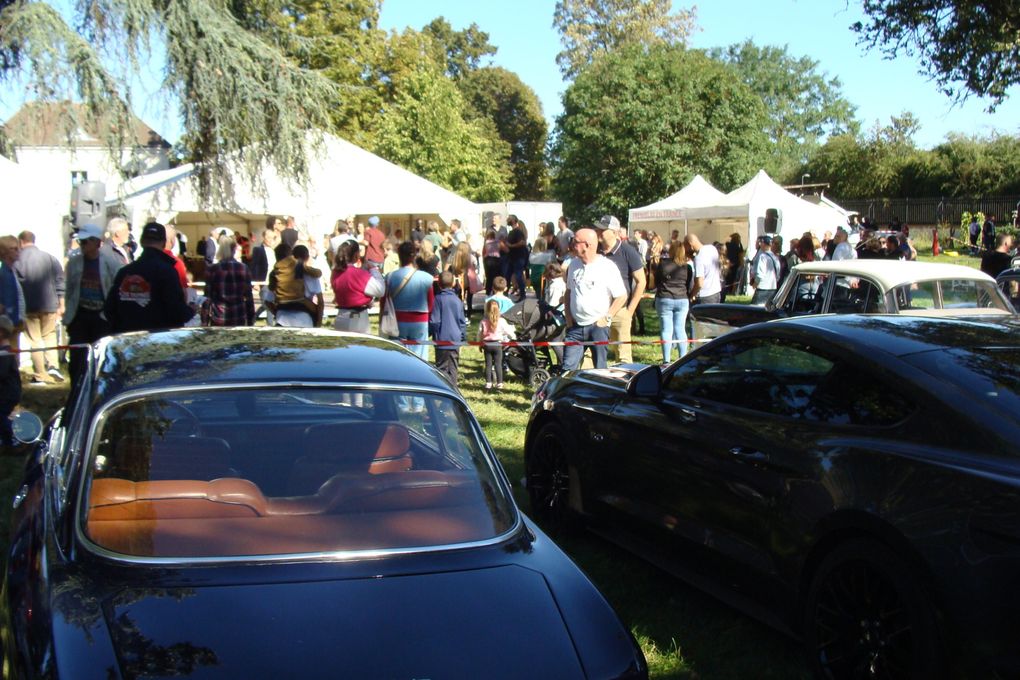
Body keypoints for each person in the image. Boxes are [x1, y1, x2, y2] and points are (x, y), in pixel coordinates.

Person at [104, 221, 195, 333]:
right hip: (156, 341)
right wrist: (191, 309)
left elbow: (109, 310)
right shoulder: (167, 271)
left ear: (141, 242)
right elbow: (176, 311)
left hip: (128, 341)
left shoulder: (125, 272)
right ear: (163, 243)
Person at [63, 223, 123, 386]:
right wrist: (68, 316)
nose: (83, 245)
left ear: (97, 242)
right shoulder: (74, 263)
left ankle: (99, 388)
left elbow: (117, 289)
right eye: (81, 242)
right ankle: (77, 389)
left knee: (102, 357)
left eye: (86, 242)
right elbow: (70, 290)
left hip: (102, 317)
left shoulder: (111, 262)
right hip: (80, 315)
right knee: (77, 359)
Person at [562, 227, 627, 370]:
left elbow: (621, 296)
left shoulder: (607, 267)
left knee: (600, 369)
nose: (572, 244)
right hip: (575, 327)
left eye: (576, 242)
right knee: (567, 369)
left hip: (598, 327)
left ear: (588, 246)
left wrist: (606, 318)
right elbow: (568, 292)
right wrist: (568, 318)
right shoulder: (573, 264)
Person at [14, 230, 65, 383]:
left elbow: (15, 285)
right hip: (50, 304)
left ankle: (40, 374)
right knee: (49, 335)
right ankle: (53, 367)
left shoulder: (17, 260)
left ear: (21, 242)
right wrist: (61, 303)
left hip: (29, 306)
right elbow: (60, 280)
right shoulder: (49, 258)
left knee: (34, 339)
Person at [597, 215, 645, 364]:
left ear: (615, 232)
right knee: (592, 352)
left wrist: (630, 311)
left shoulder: (628, 251)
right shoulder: (595, 250)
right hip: (597, 311)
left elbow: (641, 282)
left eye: (602, 229)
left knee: (623, 356)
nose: (598, 231)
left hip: (620, 310)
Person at [385, 241, 435, 360]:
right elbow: (431, 303)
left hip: (397, 320)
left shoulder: (390, 277)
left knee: (397, 356)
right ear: (414, 256)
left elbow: (384, 301)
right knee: (419, 356)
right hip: (420, 319)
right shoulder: (427, 278)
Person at [332, 241, 385, 333]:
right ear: (356, 255)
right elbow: (380, 290)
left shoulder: (335, 272)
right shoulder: (358, 274)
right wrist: (373, 269)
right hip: (357, 318)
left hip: (341, 316)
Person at [655, 240, 694, 363]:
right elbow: (690, 285)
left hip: (664, 298)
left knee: (666, 330)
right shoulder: (687, 267)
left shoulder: (663, 264)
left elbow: (657, 281)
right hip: (682, 299)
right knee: (680, 329)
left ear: (671, 251)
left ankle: (666, 360)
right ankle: (682, 359)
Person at [268, 243, 323, 328]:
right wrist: (318, 323)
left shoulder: (276, 272)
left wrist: (277, 311)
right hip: (304, 317)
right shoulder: (305, 271)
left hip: (281, 316)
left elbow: (268, 300)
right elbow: (321, 302)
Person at [203, 236, 255, 327]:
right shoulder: (243, 268)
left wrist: (204, 321)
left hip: (219, 318)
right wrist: (251, 320)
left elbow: (207, 298)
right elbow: (248, 296)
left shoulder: (212, 269)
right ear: (234, 249)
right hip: (238, 316)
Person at [429, 271, 466, 387]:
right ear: (453, 284)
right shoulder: (458, 300)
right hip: (455, 339)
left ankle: (443, 389)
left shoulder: (438, 300)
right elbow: (462, 322)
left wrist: (430, 333)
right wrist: (463, 337)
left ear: (438, 283)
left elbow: (435, 321)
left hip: (442, 339)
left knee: (441, 368)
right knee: (454, 367)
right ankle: (453, 389)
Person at [478, 298, 514, 390]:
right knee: (498, 364)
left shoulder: (483, 321)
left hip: (487, 345)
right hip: (498, 345)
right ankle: (500, 383)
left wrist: (480, 344)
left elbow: (480, 334)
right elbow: (508, 332)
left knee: (488, 365)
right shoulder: (501, 321)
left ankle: (488, 383)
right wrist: (512, 337)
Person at [0, 315, 21, 450]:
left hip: (7, 393)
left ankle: (15, 437)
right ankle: (7, 442)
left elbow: (1, 373)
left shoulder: (5, 354)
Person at [685, 234, 722, 304]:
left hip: (705, 296)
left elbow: (699, 283)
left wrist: (692, 294)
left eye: (685, 246)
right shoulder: (712, 248)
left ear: (690, 244)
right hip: (716, 292)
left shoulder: (698, 258)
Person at [447, 241, 479, 320]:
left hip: (458, 281)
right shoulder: (471, 257)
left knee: (459, 298)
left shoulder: (453, 256)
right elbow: (476, 267)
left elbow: (448, 268)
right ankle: (469, 315)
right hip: (469, 281)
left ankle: (459, 314)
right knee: (469, 299)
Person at [750, 235, 781, 305]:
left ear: (764, 244)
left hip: (762, 288)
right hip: (773, 288)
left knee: (755, 310)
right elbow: (778, 275)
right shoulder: (775, 257)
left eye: (761, 243)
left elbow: (760, 274)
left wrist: (755, 284)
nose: (760, 244)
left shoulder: (762, 256)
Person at [505, 215, 529, 301]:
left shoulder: (518, 231)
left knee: (518, 275)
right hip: (512, 257)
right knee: (507, 276)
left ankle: (523, 294)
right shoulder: (511, 232)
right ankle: (505, 293)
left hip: (519, 257)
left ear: (514, 220)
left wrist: (511, 245)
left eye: (509, 219)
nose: (507, 220)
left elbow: (522, 242)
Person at [723, 233, 745, 298]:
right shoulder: (738, 247)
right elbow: (741, 257)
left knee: (726, 279)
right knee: (734, 280)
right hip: (735, 266)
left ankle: (726, 291)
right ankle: (732, 292)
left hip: (727, 264)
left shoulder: (727, 245)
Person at [482, 228, 501, 295]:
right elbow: (500, 248)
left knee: (489, 277)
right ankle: (495, 291)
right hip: (496, 259)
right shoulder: (498, 241)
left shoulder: (486, 242)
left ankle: (488, 292)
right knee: (496, 276)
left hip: (488, 259)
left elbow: (484, 251)